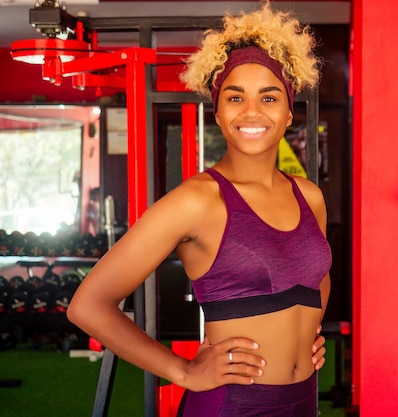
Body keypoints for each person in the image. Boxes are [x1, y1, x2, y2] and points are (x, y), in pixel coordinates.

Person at [67, 2, 332, 416]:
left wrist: (307, 334)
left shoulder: (308, 195)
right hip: (231, 404)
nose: (251, 112)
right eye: (235, 97)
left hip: (303, 401)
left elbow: (317, 276)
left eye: (268, 96)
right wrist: (184, 371)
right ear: (218, 110)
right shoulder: (198, 200)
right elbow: (88, 305)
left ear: (287, 111)